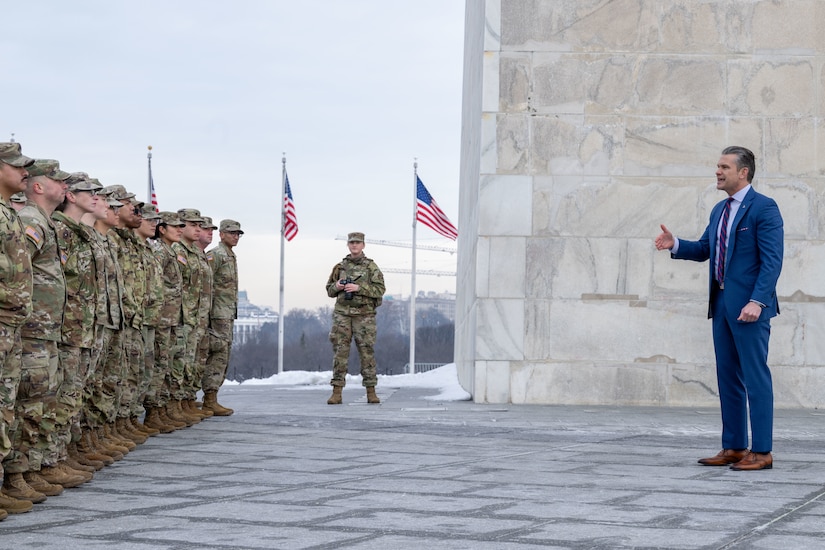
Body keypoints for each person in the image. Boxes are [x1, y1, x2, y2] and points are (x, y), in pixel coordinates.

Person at [655, 146, 784, 471]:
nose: (718, 171)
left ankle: (763, 451)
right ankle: (735, 446)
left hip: (750, 306)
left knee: (756, 377)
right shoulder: (719, 211)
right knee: (727, 376)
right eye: (717, 166)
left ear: (743, 172)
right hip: (722, 303)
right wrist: (677, 244)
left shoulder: (764, 208)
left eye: (724, 167)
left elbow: (772, 261)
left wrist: (758, 301)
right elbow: (705, 249)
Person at [0, 143, 35, 519]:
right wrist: (10, 294)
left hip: (11, 324)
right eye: (17, 166)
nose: (25, 172)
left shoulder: (8, 214)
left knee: (5, 405)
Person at [325, 232, 385, 405]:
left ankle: (371, 391)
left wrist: (359, 287)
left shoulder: (371, 267)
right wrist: (337, 286)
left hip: (364, 315)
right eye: (352, 243)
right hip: (342, 315)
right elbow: (329, 290)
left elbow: (380, 290)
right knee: (340, 352)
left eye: (357, 243)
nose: (354, 246)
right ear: (348, 245)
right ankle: (337, 392)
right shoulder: (340, 267)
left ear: (363, 245)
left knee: (367, 352)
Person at [203, 219, 243, 415]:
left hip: (226, 314)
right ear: (222, 234)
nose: (236, 236)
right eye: (232, 232)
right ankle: (208, 398)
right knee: (216, 356)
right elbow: (205, 283)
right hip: (216, 315)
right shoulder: (216, 255)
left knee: (223, 356)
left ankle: (212, 397)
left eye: (238, 234)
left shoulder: (229, 256)